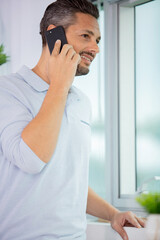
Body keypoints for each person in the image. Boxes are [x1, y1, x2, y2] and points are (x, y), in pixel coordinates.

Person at [0, 0, 144, 239]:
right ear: (53, 34)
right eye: (86, 36)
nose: (95, 48)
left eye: (97, 40)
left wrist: (112, 214)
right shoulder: (7, 90)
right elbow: (30, 159)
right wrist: (59, 83)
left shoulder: (81, 102)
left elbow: (68, 179)